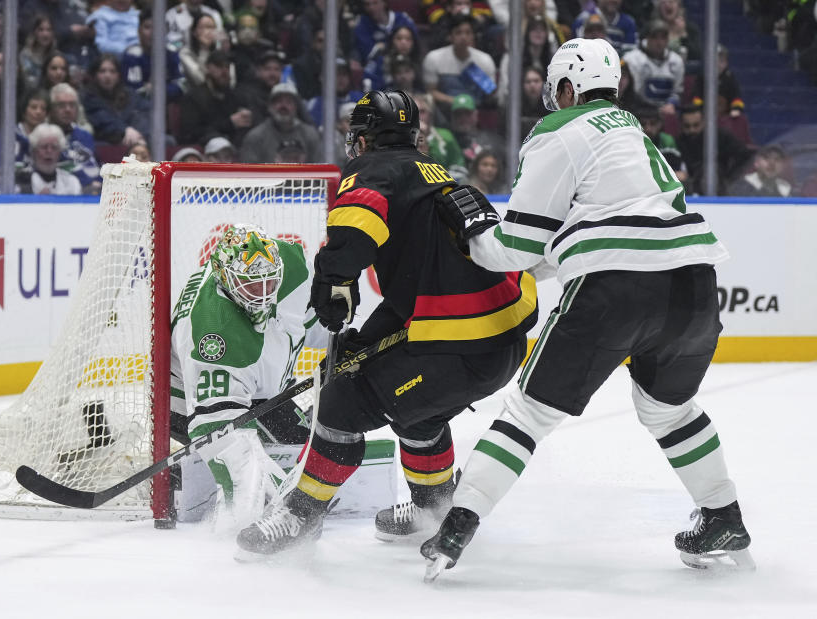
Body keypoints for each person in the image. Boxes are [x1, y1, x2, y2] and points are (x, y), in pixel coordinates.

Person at [424, 38, 753, 578]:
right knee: (670, 411)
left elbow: (518, 249)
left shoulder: (559, 131)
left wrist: (475, 230)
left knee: (529, 412)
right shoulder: (632, 131)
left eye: (556, 91)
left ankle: (455, 526)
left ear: (568, 88)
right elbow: (580, 236)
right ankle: (723, 515)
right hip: (694, 281)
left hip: (617, 288)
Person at [235, 90, 538, 558]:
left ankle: (300, 517)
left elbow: (357, 228)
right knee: (416, 408)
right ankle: (432, 509)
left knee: (341, 402)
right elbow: (416, 291)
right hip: (500, 341)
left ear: (363, 139)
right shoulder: (435, 174)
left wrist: (335, 281)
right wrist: (366, 340)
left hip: (456, 348)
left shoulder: (374, 170)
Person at [169, 225, 320, 525]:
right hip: (189, 401)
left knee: (305, 443)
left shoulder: (290, 265)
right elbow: (216, 432)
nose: (264, 294)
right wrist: (243, 511)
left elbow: (304, 321)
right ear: (225, 279)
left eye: (269, 283)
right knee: (256, 465)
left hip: (254, 387)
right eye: (252, 286)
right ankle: (178, 475)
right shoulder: (214, 333)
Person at [240, 82, 321, 164]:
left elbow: (319, 169)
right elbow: (248, 172)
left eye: (289, 102)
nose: (283, 106)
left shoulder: (310, 135)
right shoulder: (255, 137)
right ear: (269, 107)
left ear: (296, 107)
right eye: (278, 101)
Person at [622, 20, 685, 115]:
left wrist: (671, 104)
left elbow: (677, 92)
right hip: (639, 111)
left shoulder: (676, 61)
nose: (659, 42)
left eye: (663, 38)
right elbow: (629, 94)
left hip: (667, 112)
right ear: (646, 38)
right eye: (654, 37)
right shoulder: (632, 60)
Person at [48, 83, 101, 194]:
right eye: (61, 105)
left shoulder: (85, 136)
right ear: (51, 108)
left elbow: (96, 166)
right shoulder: (44, 136)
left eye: (72, 105)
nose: (68, 110)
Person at [16, 123, 83, 195]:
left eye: (54, 147)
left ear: (60, 152)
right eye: (44, 147)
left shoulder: (72, 182)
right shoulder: (19, 181)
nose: (49, 151)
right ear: (34, 151)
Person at [728, 146, 793, 197]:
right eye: (766, 158)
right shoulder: (739, 187)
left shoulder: (786, 188)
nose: (772, 163)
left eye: (777, 159)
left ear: (782, 166)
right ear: (756, 163)